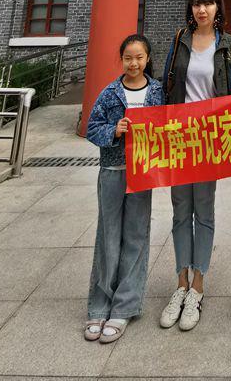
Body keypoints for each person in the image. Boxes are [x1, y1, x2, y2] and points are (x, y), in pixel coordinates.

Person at [158, 0, 231, 332]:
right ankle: (180, 282)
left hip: (208, 140)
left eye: (208, 3)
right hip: (180, 137)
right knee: (181, 211)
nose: (202, 9)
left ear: (218, 8)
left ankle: (198, 287)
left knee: (203, 212)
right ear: (191, 9)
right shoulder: (179, 41)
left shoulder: (229, 46)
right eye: (197, 4)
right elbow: (165, 86)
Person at [85, 33, 163, 343]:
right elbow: (92, 128)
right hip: (113, 171)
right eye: (128, 58)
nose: (134, 63)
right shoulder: (109, 93)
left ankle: (125, 306)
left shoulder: (157, 91)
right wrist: (114, 131)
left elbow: (169, 126)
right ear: (122, 60)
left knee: (135, 236)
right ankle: (99, 305)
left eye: (139, 57)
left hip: (142, 174)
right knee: (108, 235)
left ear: (147, 59)